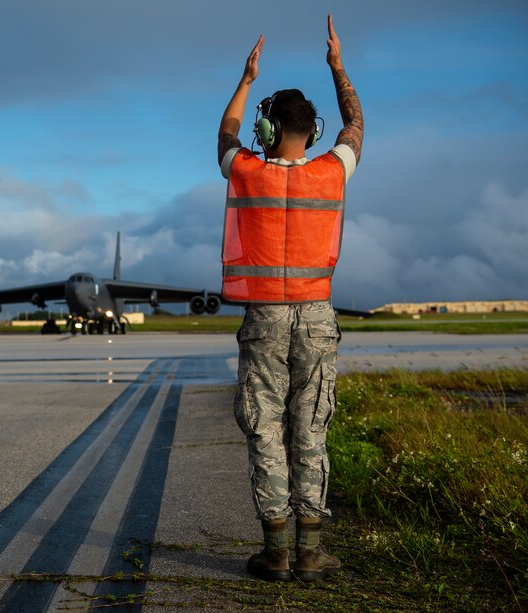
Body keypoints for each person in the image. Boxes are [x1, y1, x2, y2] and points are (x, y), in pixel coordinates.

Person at [217, 15, 364, 582]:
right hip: (317, 316)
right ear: (311, 128)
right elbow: (355, 123)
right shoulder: (332, 172)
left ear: (267, 126)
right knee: (311, 427)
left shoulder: (247, 172)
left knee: (265, 426)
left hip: (265, 318)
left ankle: (275, 551)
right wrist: (338, 66)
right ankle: (310, 553)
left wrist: (247, 78)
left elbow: (226, 136)